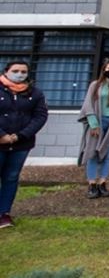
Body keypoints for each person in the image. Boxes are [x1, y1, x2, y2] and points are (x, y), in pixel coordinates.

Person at [0, 60, 48, 229]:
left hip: (21, 144)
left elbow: (40, 116)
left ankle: (4, 213)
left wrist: (21, 135)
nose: (20, 74)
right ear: (6, 71)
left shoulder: (35, 93)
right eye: (16, 70)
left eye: (23, 71)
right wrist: (2, 135)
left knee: (11, 177)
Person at [78, 59, 109, 199]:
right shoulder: (95, 85)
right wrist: (93, 123)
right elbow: (88, 104)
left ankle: (103, 182)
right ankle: (92, 184)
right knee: (93, 153)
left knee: (108, 155)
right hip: (97, 122)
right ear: (104, 69)